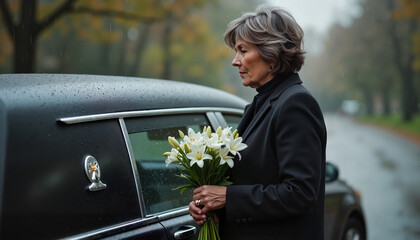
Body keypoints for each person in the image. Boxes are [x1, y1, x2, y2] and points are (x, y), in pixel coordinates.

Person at [189, 5, 327, 240]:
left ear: (271, 55)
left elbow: (300, 193)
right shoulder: (261, 103)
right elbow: (252, 180)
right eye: (236, 51)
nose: (235, 61)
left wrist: (227, 198)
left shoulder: (296, 104)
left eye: (243, 51)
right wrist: (213, 206)